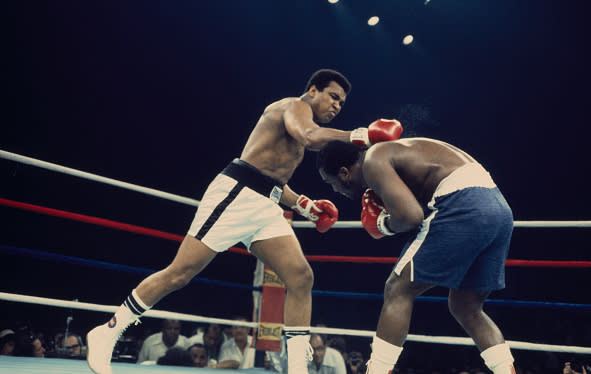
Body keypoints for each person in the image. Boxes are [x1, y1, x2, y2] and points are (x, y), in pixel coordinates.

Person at [86, 68, 402, 374]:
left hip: (264, 204)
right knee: (179, 273)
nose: (336, 105)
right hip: (235, 194)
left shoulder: (300, 125)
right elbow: (309, 136)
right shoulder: (292, 107)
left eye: (342, 103)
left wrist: (304, 205)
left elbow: (272, 179)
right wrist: (361, 135)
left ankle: (296, 368)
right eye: (333, 96)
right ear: (313, 90)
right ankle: (108, 332)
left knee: (301, 276)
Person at [316, 138, 516, 374]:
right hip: (499, 209)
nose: (335, 190)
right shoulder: (399, 153)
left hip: (465, 204)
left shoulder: (372, 160)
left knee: (397, 288)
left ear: (344, 172)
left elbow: (411, 217)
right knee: (466, 307)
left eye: (331, 184)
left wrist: (383, 225)